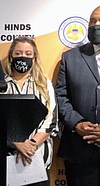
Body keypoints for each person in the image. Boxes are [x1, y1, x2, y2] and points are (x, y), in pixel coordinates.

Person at [55, 6, 100, 186]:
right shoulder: (70, 57)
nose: (96, 25)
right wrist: (77, 124)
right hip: (79, 152)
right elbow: (61, 96)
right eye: (92, 21)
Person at [4, 36, 58, 185]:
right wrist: (16, 142)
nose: (23, 57)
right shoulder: (2, 85)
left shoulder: (43, 83)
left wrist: (31, 144)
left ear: (34, 58)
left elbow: (52, 119)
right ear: (11, 56)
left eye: (28, 54)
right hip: (8, 159)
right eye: (18, 53)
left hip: (38, 157)